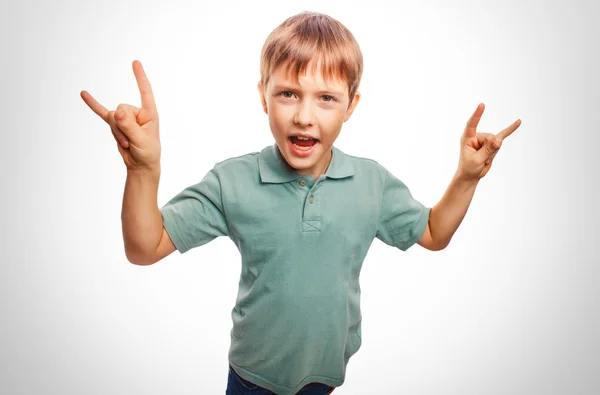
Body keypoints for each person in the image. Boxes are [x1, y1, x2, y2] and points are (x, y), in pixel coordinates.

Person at [81, 11, 521, 395]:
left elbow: (433, 232)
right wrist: (143, 170)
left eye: (326, 98)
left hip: (325, 375)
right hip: (253, 377)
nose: (304, 115)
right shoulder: (231, 181)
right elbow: (145, 248)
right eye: (288, 93)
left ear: (351, 106)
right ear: (263, 95)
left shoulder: (372, 182)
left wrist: (466, 177)